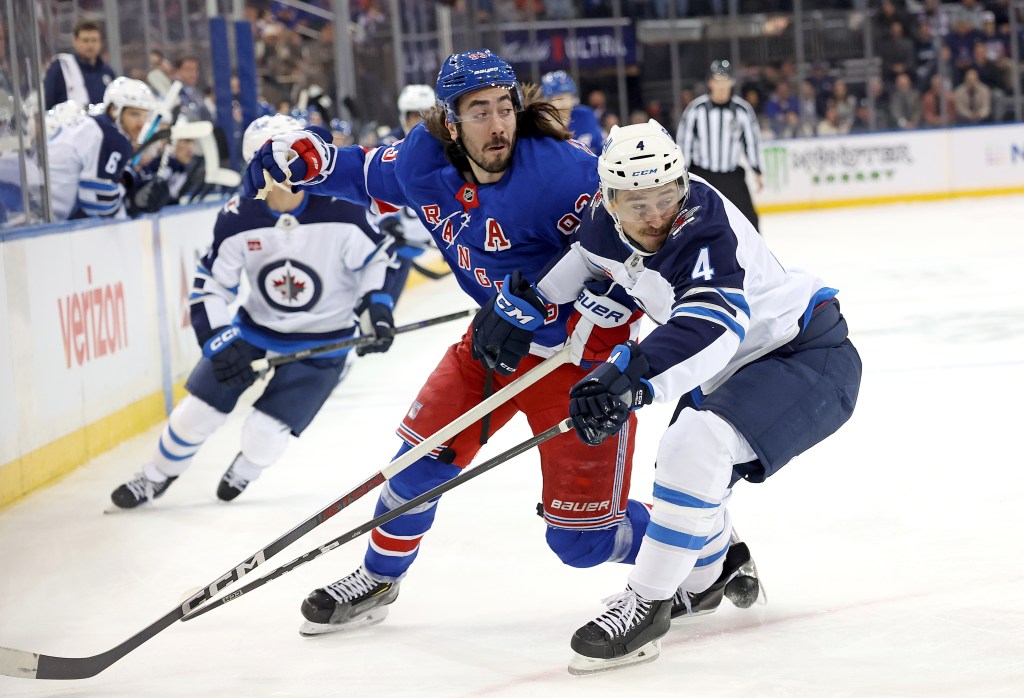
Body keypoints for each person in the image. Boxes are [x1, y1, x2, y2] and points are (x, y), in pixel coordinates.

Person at [241, 49, 649, 636]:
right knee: (413, 466)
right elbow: (360, 172)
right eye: (479, 111)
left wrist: (585, 300)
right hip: (493, 349)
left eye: (505, 107)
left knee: (582, 543)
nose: (498, 124)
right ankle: (380, 577)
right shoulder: (423, 159)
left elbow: (637, 248)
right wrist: (314, 159)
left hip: (578, 362)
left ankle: (705, 545)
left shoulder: (562, 173)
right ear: (451, 123)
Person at [533, 121, 861, 674]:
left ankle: (649, 603)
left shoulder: (704, 224)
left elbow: (712, 324)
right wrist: (532, 302)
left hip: (802, 354)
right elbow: (592, 257)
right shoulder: (604, 223)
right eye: (638, 204)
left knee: (694, 444)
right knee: (680, 468)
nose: (657, 215)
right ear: (609, 200)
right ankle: (713, 574)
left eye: (667, 196)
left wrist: (626, 374)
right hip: (736, 369)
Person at [109, 114, 398, 508]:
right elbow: (209, 286)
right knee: (195, 413)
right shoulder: (237, 216)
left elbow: (376, 262)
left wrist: (376, 309)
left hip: (327, 337)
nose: (283, 175)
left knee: (264, 435)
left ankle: (247, 468)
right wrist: (219, 339)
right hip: (255, 328)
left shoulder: (343, 208)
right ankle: (154, 475)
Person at [46, 77, 154, 221]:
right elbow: (98, 205)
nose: (141, 124)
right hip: (48, 216)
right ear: (114, 110)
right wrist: (128, 200)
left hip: (38, 205)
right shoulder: (112, 136)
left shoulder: (92, 125)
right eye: (134, 114)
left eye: (145, 116)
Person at [676, 60, 764, 231]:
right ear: (710, 83)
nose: (722, 85)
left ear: (732, 82)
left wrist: (757, 170)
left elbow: (751, 142)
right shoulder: (696, 110)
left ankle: (752, 257)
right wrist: (682, 173)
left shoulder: (742, 110)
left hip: (731, 176)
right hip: (703, 175)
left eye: (725, 79)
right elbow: (684, 142)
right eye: (717, 80)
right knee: (693, 221)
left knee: (749, 223)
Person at [376, 84, 438, 303]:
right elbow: (372, 193)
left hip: (419, 242)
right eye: (415, 116)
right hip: (392, 245)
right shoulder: (387, 150)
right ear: (404, 117)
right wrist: (388, 223)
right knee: (379, 304)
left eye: (427, 114)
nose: (421, 122)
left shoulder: (446, 145)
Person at [43, 19, 117, 109]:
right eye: (85, 40)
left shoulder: (107, 72)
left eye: (94, 40)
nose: (90, 45)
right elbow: (48, 102)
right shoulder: (62, 68)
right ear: (75, 41)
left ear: (100, 43)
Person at [540, 70, 603, 153]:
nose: (565, 104)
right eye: (559, 99)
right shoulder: (538, 126)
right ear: (546, 102)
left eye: (568, 97)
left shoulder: (585, 115)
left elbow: (601, 148)